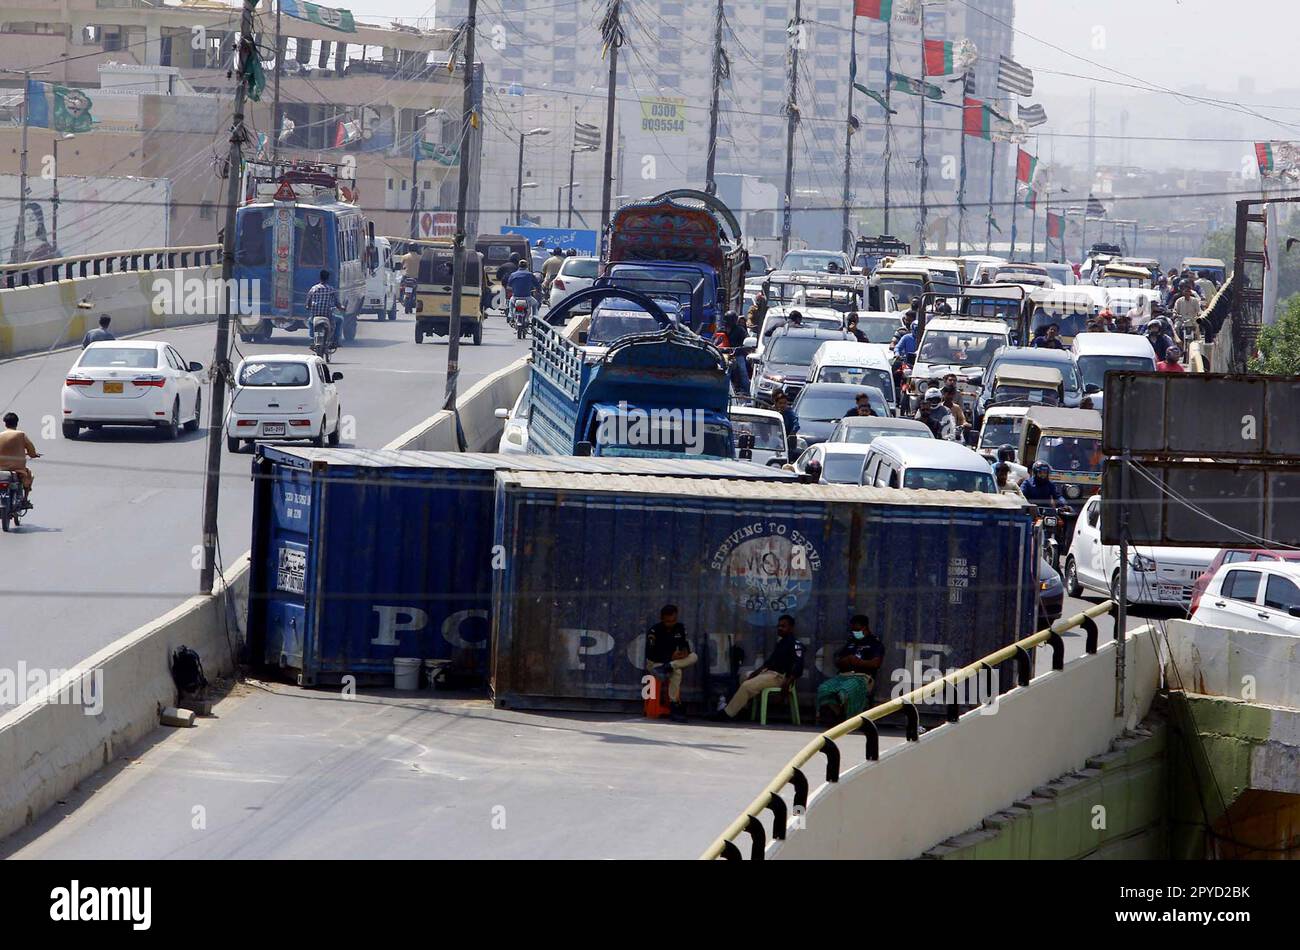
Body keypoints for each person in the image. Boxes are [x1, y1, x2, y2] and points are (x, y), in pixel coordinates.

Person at [710, 615, 805, 721]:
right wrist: (755, 673)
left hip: (779, 677)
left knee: (746, 686)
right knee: (744, 677)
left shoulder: (795, 644)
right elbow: (769, 663)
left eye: (783, 626)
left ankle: (727, 714)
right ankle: (743, 709)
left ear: (791, 628)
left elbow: (798, 666)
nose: (780, 628)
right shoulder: (781, 643)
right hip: (769, 673)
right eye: (778, 626)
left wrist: (787, 683)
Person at [816, 615, 884, 725]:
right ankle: (838, 715)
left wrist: (859, 662)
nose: (855, 632)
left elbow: (876, 663)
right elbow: (838, 661)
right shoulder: (851, 642)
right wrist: (846, 660)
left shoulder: (875, 644)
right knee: (824, 689)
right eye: (853, 630)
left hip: (862, 677)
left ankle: (850, 720)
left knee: (845, 691)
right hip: (844, 675)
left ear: (865, 628)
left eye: (857, 630)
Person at [645, 605, 698, 722]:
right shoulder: (654, 631)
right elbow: (651, 655)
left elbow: (685, 647)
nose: (671, 623)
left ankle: (669, 666)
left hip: (671, 662)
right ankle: (674, 706)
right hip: (655, 664)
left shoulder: (680, 628)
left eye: (673, 620)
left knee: (694, 656)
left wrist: (684, 653)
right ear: (662, 618)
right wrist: (670, 657)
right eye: (668, 621)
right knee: (677, 671)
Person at [0, 412, 39, 500]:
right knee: (30, 476)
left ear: (5, 423)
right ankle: (25, 499)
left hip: (1, 469)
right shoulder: (20, 434)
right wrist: (33, 455)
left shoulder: (0, 435)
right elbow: (31, 450)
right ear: (16, 423)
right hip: (18, 469)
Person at [306, 270, 343, 345]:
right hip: (328, 316)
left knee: (310, 322)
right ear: (328, 278)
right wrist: (341, 308)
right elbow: (337, 303)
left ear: (320, 278)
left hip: (315, 315)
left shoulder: (314, 288)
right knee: (340, 320)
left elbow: (308, 301)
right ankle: (335, 341)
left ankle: (312, 338)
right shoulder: (331, 289)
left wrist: (308, 306)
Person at [774, 391, 799, 458]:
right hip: (772, 443)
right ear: (776, 404)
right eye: (780, 403)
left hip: (785, 443)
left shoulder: (790, 413)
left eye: (785, 403)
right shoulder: (771, 413)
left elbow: (796, 424)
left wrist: (791, 434)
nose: (782, 405)